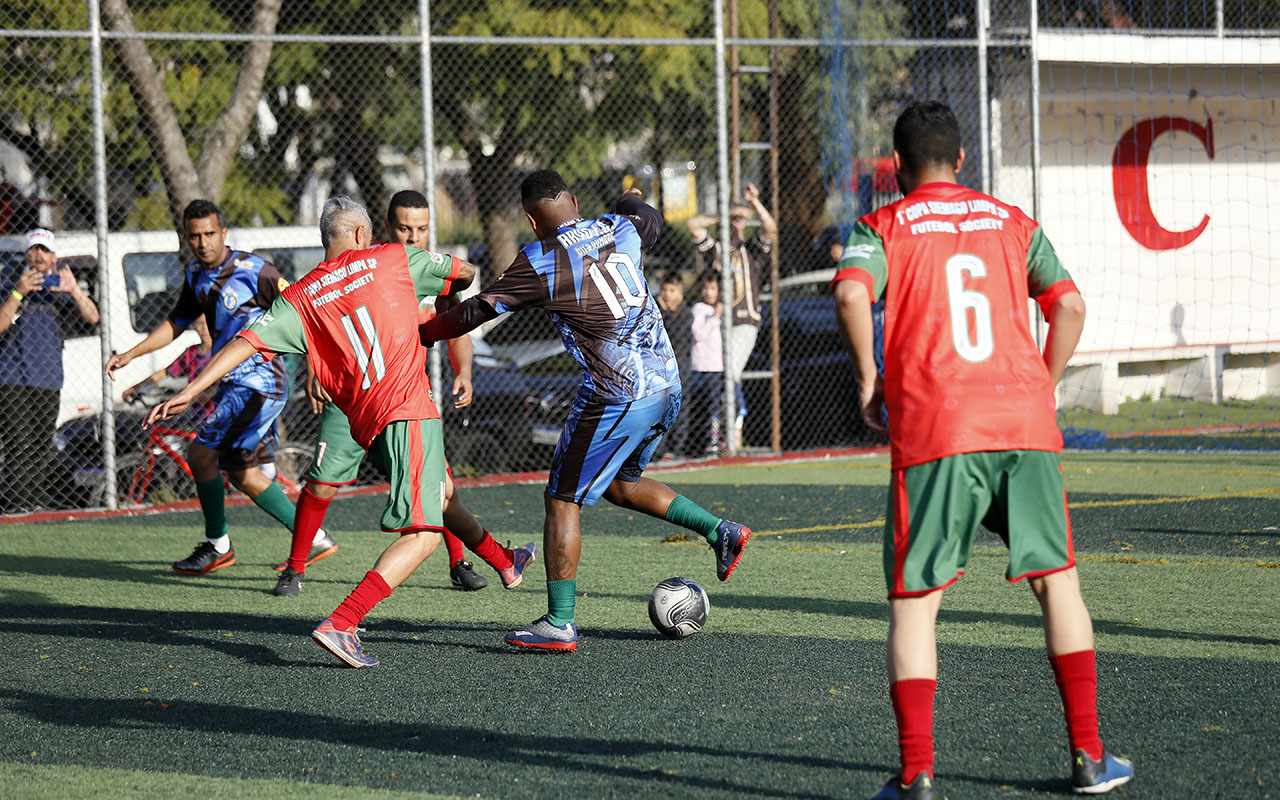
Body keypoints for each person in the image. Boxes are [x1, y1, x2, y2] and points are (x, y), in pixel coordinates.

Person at [831, 101, 1133, 799]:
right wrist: (1044, 386)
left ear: (898, 167)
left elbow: (850, 294)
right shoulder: (1012, 220)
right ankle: (1088, 758)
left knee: (916, 602)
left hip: (941, 426)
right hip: (1024, 423)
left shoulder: (884, 223)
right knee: (1058, 583)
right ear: (963, 160)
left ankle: (917, 775)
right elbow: (1072, 307)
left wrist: (869, 381)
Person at [146, 197, 537, 668]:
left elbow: (245, 342)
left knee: (444, 491)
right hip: (408, 408)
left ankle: (503, 561)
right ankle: (344, 622)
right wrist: (425, 304)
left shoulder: (302, 296)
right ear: (360, 234)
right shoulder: (392, 257)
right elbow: (466, 273)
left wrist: (192, 390)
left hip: (366, 421)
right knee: (424, 534)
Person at [419, 171, 752, 653]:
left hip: (617, 395)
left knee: (561, 499)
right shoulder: (621, 226)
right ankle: (720, 531)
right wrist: (630, 197)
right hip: (668, 385)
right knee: (623, 484)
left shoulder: (541, 259)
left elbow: (478, 310)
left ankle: (558, 624)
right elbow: (647, 214)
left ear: (532, 221)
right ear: (574, 201)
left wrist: (423, 333)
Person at [275, 189, 492, 595]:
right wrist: (315, 368)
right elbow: (321, 318)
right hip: (352, 402)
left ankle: (459, 561)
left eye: (422, 229)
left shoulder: (428, 272)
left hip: (403, 401)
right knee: (321, 482)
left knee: (441, 487)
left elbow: (458, 322)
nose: (414, 237)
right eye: (405, 228)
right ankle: (295, 567)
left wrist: (464, 372)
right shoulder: (366, 267)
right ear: (384, 228)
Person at [106, 200, 321, 575]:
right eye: (195, 236)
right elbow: (177, 321)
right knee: (243, 473)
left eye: (209, 234)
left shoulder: (255, 271)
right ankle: (313, 538)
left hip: (259, 385)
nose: (203, 242)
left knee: (201, 455)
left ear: (224, 233)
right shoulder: (195, 275)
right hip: (232, 385)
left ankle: (220, 544)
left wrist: (317, 370)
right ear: (187, 239)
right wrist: (131, 354)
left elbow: (304, 313)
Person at [0, 228, 100, 511]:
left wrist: (75, 289)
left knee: (42, 446)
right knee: (19, 444)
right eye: (34, 250)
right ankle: (17, 506)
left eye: (45, 251)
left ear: (54, 256)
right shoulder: (11, 285)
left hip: (48, 379)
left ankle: (32, 504)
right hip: (13, 378)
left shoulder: (60, 287)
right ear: (27, 255)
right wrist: (18, 292)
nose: (39, 256)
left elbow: (92, 317)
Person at [686, 182, 776, 448]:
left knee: (731, 372)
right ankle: (728, 433)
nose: (735, 225)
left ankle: (734, 432)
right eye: (731, 220)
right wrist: (724, 215)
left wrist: (754, 204)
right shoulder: (716, 250)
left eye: (739, 221)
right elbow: (693, 225)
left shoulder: (752, 250)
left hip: (744, 322)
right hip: (718, 326)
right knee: (724, 377)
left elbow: (770, 228)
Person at [687, 272, 725, 456]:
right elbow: (698, 334)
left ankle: (716, 439)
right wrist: (715, 318)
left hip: (717, 367)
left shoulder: (719, 309)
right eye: (706, 288)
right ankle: (705, 442)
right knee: (703, 406)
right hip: (702, 366)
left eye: (713, 289)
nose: (709, 292)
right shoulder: (699, 309)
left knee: (717, 405)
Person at [655, 271, 691, 459]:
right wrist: (663, 313)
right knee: (659, 406)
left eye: (672, 290)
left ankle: (677, 447)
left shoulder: (685, 312)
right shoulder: (657, 312)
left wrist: (667, 315)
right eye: (664, 290)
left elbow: (676, 335)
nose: (667, 295)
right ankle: (658, 448)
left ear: (681, 293)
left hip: (680, 364)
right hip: (659, 366)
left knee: (679, 404)